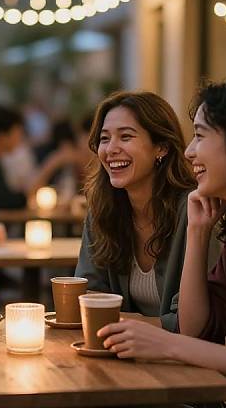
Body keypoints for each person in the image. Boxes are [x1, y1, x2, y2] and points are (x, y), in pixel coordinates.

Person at [98, 75, 226, 404]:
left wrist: (163, 343)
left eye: (199, 136)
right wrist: (198, 232)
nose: (189, 151)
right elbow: (197, 329)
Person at [75, 91, 196, 331]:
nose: (111, 149)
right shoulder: (103, 208)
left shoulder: (195, 210)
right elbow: (89, 290)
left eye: (126, 137)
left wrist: (137, 323)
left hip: (189, 359)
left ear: (161, 147)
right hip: (125, 351)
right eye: (105, 138)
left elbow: (198, 320)